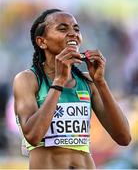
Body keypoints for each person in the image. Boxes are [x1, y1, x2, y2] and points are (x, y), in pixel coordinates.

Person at [13, 9, 131, 169]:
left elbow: (124, 138)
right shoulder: (28, 79)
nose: (73, 34)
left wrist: (101, 83)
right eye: (62, 29)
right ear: (42, 42)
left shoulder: (87, 81)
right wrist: (58, 82)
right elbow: (32, 136)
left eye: (76, 29)